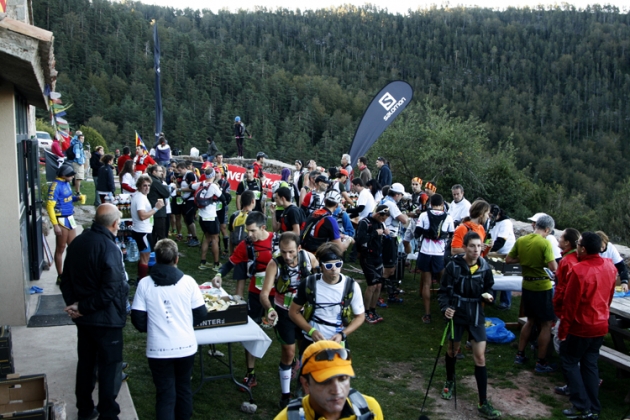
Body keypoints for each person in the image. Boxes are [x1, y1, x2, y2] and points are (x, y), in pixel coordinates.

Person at [59, 203, 129, 420]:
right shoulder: (109, 248)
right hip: (105, 321)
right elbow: (112, 288)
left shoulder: (78, 241)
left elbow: (65, 279)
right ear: (115, 223)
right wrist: (80, 307)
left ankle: (85, 410)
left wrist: (76, 306)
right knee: (109, 368)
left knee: (86, 365)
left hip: (86, 319)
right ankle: (108, 413)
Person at [131, 239, 206, 420]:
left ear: (155, 259)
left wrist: (155, 326)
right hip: (185, 347)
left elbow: (138, 319)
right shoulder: (188, 282)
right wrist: (185, 323)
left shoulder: (145, 284)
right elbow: (201, 313)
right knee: (183, 388)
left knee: (165, 394)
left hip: (158, 349)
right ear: (176, 259)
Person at [438, 231, 501, 419]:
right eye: (472, 246)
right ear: (465, 247)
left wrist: (488, 296)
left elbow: (489, 286)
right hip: (457, 312)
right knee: (452, 350)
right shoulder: (453, 266)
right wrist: (445, 308)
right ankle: (450, 381)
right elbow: (443, 292)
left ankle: (483, 402)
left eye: (479, 246)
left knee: (480, 358)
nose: (475, 250)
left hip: (475, 314)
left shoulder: (485, 267)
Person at [212, 211, 277, 389]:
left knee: (286, 337)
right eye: (247, 230)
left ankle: (292, 364)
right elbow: (230, 263)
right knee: (252, 330)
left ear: (263, 228)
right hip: (256, 293)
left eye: (252, 231)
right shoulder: (246, 245)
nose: (249, 235)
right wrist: (219, 274)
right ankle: (251, 373)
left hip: (278, 294)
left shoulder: (277, 241)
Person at [557, 232, 617, 420]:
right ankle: (593, 407)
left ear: (582, 248)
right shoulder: (610, 266)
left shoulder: (579, 270)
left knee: (569, 361)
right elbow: (609, 295)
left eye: (579, 245)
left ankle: (581, 404)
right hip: (600, 325)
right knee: (590, 364)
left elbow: (570, 304)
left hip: (581, 326)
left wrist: (563, 330)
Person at [260, 232, 319, 408]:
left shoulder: (310, 258)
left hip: (305, 313)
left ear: (299, 248)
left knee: (305, 352)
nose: (287, 256)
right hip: (284, 312)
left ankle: (302, 387)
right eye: (283, 251)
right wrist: (270, 309)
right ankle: (285, 395)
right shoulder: (274, 263)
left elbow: (318, 281)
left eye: (291, 252)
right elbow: (264, 293)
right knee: (288, 352)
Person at [274, 340, 383, 420]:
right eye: (325, 381)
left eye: (343, 379)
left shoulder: (369, 409)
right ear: (306, 384)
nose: (337, 390)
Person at [288, 243, 365, 355]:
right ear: (321, 265)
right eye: (329, 266)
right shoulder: (309, 283)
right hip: (311, 341)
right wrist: (311, 331)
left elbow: (360, 316)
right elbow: (293, 312)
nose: (334, 269)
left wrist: (343, 334)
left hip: (338, 342)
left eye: (338, 264)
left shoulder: (351, 286)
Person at [507, 213, 558, 373]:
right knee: (546, 324)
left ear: (536, 226)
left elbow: (508, 259)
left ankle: (520, 354)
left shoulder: (522, 240)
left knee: (529, 320)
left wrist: (523, 260)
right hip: (542, 286)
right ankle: (541, 361)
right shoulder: (545, 243)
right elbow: (553, 267)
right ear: (548, 229)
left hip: (526, 285)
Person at [551, 228, 581, 397]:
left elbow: (565, 287)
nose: (559, 238)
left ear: (567, 242)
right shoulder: (575, 259)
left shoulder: (567, 261)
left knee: (560, 342)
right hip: (577, 312)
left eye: (561, 237)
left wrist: (559, 305)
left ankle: (574, 382)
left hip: (566, 310)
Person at [415, 193, 455, 324]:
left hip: (425, 252)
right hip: (439, 253)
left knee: (426, 283)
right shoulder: (448, 217)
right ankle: (446, 311)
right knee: (444, 282)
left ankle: (427, 314)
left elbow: (416, 234)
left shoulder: (423, 215)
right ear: (443, 205)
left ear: (430, 204)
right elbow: (451, 235)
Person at [46, 163, 83, 285]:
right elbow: (50, 206)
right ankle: (60, 275)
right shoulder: (55, 185)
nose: (72, 177)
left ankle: (71, 273)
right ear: (64, 175)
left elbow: (67, 198)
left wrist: (76, 198)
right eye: (71, 175)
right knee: (60, 248)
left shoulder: (66, 183)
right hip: (61, 219)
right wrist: (55, 224)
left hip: (70, 218)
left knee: (73, 248)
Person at [356, 205, 390, 324]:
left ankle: (372, 309)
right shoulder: (364, 222)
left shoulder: (380, 224)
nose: (383, 221)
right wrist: (375, 233)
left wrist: (385, 234)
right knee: (372, 285)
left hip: (377, 257)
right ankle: (365, 312)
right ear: (378, 214)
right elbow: (360, 240)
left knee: (379, 285)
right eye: (383, 218)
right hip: (367, 257)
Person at [377, 183, 409, 302]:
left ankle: (390, 291)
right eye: (401, 195)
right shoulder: (391, 204)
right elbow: (404, 220)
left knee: (391, 266)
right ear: (397, 194)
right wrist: (405, 214)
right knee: (388, 268)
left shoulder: (385, 200)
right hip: (389, 238)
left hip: (387, 238)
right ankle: (377, 294)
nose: (401, 197)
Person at [131, 174, 165, 281]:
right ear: (139, 186)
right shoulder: (140, 198)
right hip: (142, 231)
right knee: (145, 258)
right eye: (144, 185)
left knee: (144, 256)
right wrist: (156, 208)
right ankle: (142, 280)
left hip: (143, 230)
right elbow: (142, 216)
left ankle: (139, 277)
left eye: (149, 185)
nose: (147, 188)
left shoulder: (140, 196)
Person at [191, 168, 223, 271]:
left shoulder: (200, 184)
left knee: (207, 238)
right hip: (211, 217)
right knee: (215, 239)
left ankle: (203, 262)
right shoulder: (213, 186)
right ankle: (216, 264)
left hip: (202, 216)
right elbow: (222, 197)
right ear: (213, 175)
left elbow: (191, 186)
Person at [488, 205, 516, 309]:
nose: (490, 217)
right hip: (496, 252)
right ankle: (492, 298)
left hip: (507, 251)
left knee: (506, 277)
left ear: (498, 214)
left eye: (491, 215)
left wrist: (489, 250)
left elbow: (501, 241)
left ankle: (505, 302)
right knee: (494, 275)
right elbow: (490, 236)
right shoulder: (493, 222)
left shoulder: (506, 223)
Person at [175, 162, 200, 246]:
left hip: (191, 199)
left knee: (189, 218)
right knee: (187, 218)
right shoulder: (185, 175)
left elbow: (193, 188)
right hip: (186, 199)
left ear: (184, 168)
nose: (179, 172)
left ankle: (195, 238)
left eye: (180, 170)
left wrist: (180, 190)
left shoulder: (190, 175)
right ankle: (192, 237)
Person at [147, 165, 171, 244]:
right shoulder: (155, 181)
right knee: (161, 234)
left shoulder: (151, 179)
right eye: (160, 171)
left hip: (153, 210)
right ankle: (162, 253)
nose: (162, 173)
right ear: (154, 172)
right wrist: (169, 187)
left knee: (154, 234)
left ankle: (153, 251)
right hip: (158, 212)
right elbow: (166, 193)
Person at [228, 190, 256, 254]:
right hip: (249, 253)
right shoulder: (255, 217)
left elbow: (231, 236)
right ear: (253, 201)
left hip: (236, 251)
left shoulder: (234, 215)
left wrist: (231, 254)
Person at [214, 168, 232, 257]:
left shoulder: (225, 183)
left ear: (221, 173)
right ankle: (217, 247)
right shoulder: (211, 182)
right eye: (215, 172)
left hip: (223, 207)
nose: (216, 174)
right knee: (215, 229)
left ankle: (226, 249)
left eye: (217, 172)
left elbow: (227, 197)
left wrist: (219, 189)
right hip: (213, 208)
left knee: (223, 227)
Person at [69, 131, 86, 195]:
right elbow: (77, 154)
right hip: (77, 163)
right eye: (82, 138)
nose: (83, 140)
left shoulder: (77, 143)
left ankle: (77, 191)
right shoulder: (77, 144)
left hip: (77, 162)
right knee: (78, 177)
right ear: (79, 138)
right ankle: (77, 191)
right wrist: (80, 162)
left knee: (78, 177)